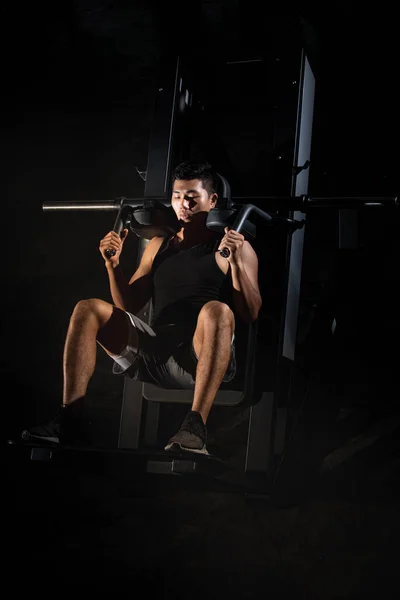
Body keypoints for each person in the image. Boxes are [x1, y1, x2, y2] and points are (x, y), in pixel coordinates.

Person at [22, 160, 262, 454]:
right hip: (154, 353)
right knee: (88, 308)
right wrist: (113, 267)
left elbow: (250, 314)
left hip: (199, 358)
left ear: (212, 200)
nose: (182, 204)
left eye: (191, 197)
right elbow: (129, 305)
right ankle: (68, 421)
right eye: (176, 195)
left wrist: (236, 264)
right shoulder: (158, 245)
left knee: (217, 310)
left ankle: (195, 427)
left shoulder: (233, 247)